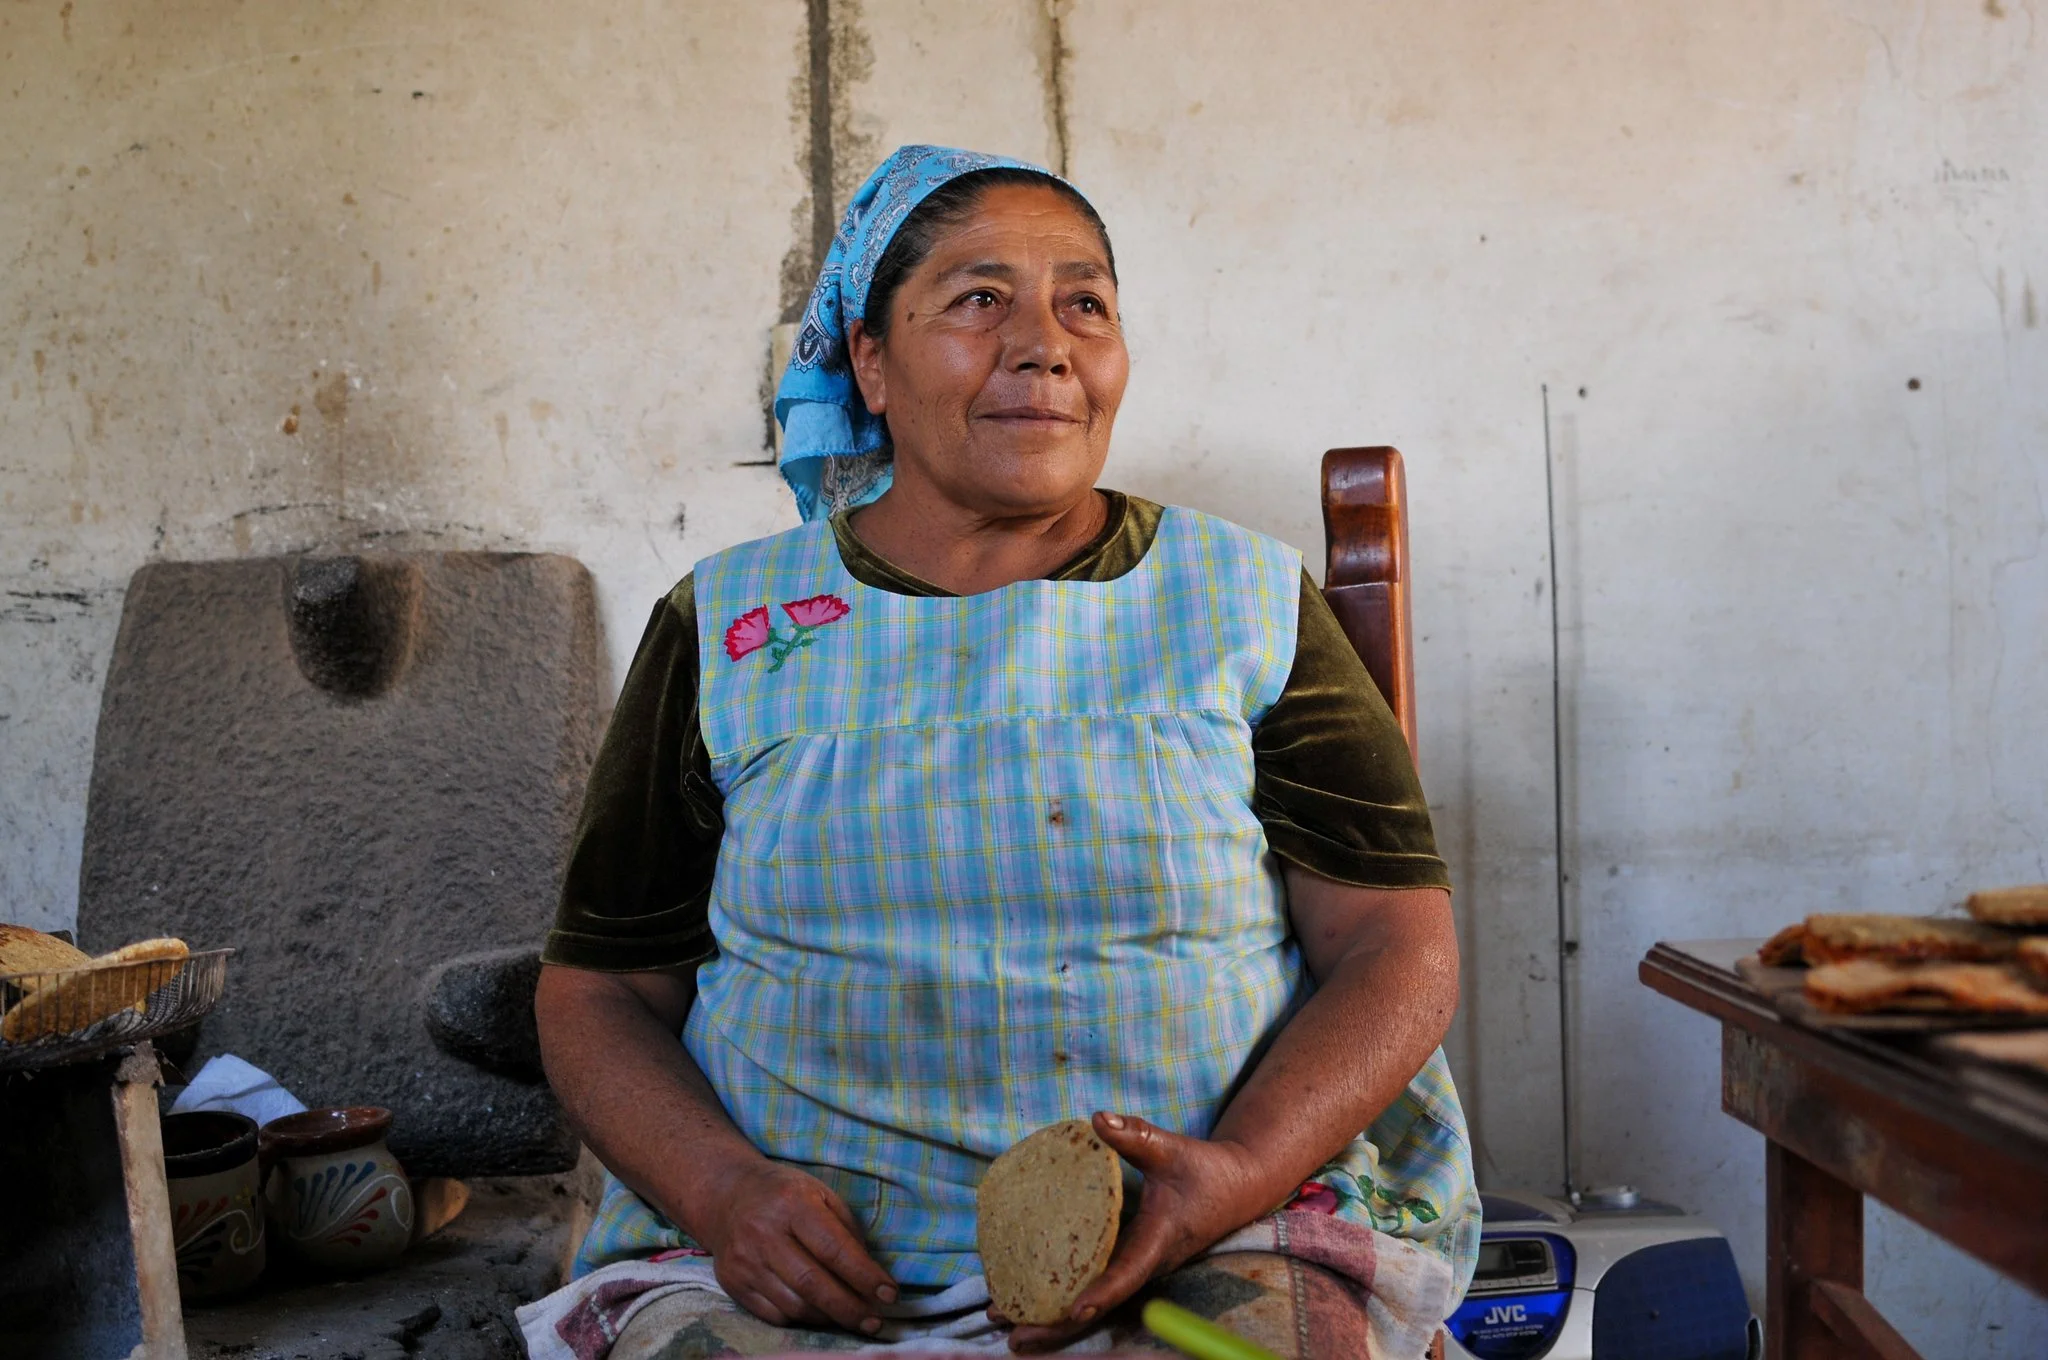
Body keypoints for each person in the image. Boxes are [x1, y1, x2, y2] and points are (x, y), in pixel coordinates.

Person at [521, 145, 1478, 1360]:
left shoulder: (1236, 596)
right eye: (979, 301)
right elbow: (601, 990)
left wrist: (1234, 1171)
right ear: (868, 360)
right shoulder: (729, 627)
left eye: (1085, 303)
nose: (1046, 344)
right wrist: (722, 1194)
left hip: (1211, 1227)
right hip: (803, 1265)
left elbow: (1392, 940)